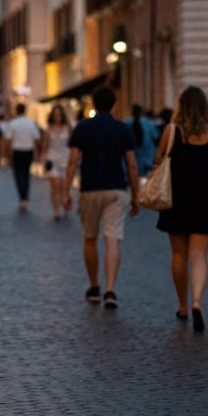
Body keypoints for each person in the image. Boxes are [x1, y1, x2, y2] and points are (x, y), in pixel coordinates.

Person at [63, 85, 139, 309]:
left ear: (93, 103)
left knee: (89, 238)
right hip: (116, 189)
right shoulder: (123, 129)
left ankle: (94, 285)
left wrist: (66, 190)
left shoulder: (83, 128)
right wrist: (136, 195)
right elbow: (132, 165)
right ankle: (110, 289)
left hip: (90, 188)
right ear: (113, 104)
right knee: (112, 238)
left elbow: (72, 161)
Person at [155, 86, 208, 332]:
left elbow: (158, 160)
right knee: (198, 256)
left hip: (176, 197)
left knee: (178, 255)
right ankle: (197, 302)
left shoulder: (171, 131)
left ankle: (183, 305)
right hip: (203, 197)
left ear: (181, 106)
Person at [1, 103, 42, 211]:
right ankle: (25, 198)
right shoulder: (31, 123)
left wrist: (8, 155)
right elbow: (37, 139)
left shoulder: (13, 124)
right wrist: (36, 152)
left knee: (18, 175)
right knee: (26, 174)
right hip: (28, 151)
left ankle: (22, 198)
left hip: (17, 152)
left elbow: (8, 141)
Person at [43, 104, 72, 221]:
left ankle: (64, 201)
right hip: (52, 158)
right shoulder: (48, 129)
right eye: (55, 114)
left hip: (65, 159)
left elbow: (72, 143)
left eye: (59, 114)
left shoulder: (67, 128)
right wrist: (43, 160)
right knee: (55, 185)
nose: (57, 117)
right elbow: (45, 146)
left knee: (64, 185)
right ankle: (56, 210)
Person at [129, 103, 157, 176]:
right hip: (148, 158)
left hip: (134, 159)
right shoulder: (149, 123)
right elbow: (156, 137)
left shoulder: (127, 123)